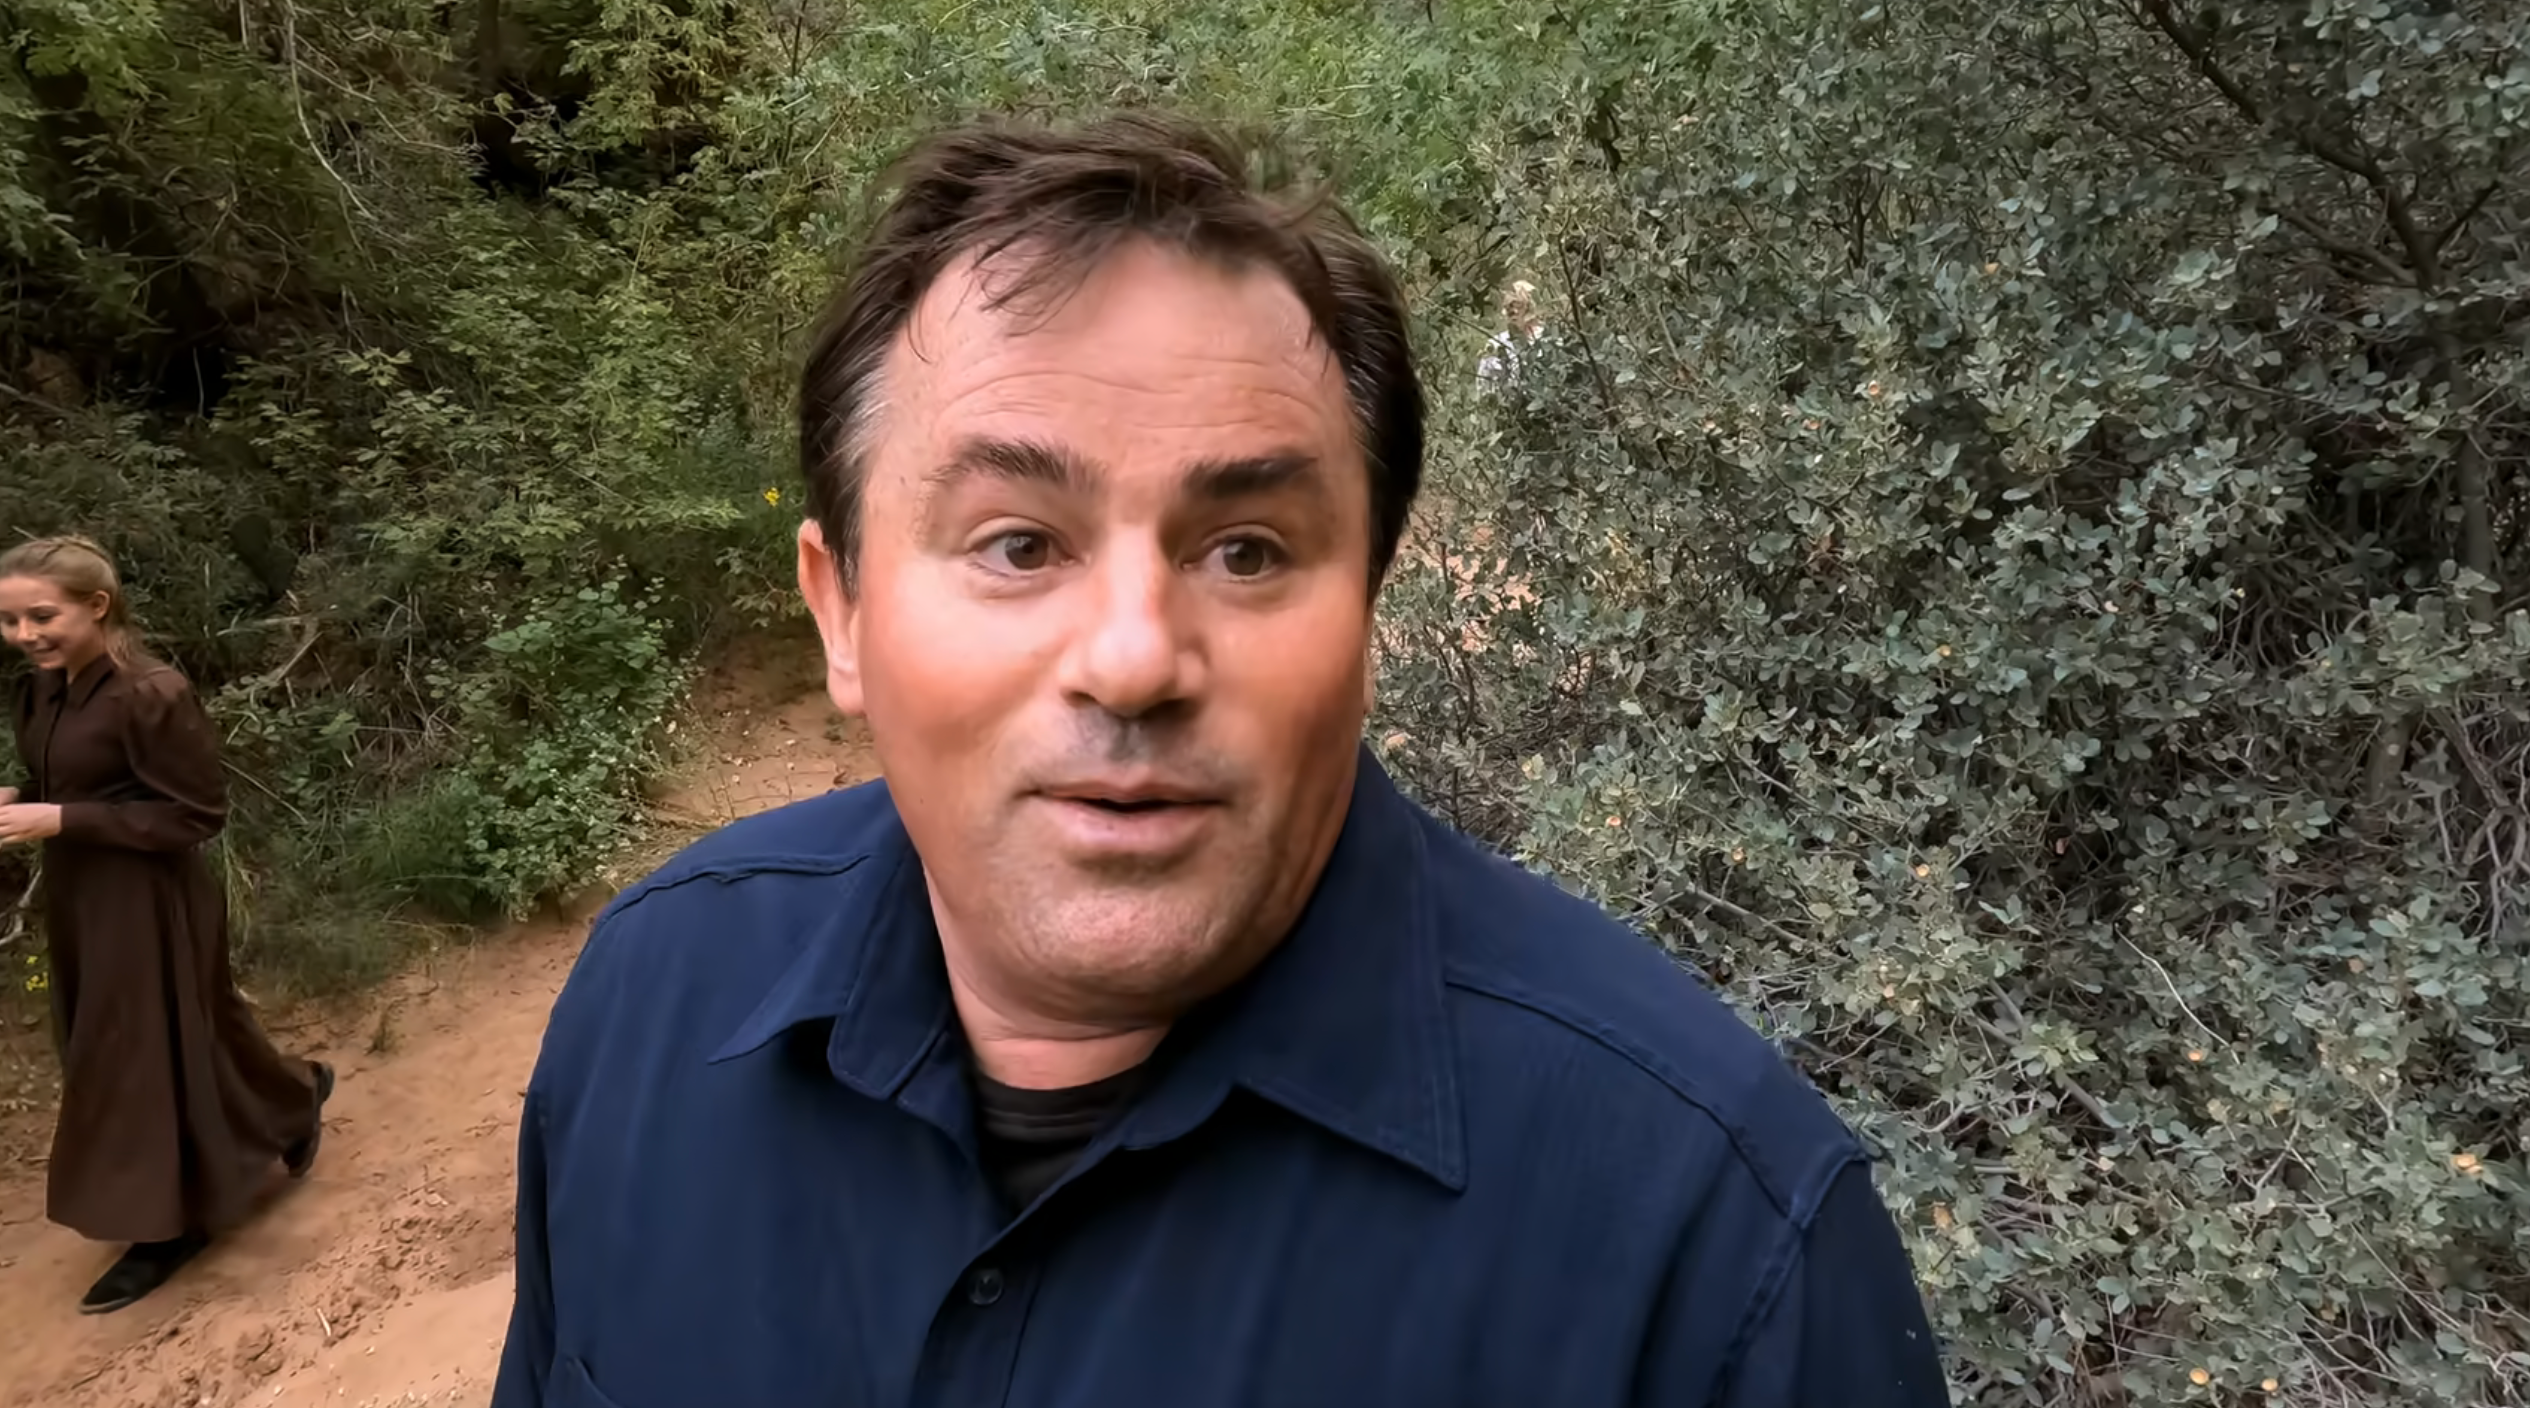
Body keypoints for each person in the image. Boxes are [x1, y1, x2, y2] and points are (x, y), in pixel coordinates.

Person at [494, 113, 1946, 1406]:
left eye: (1246, 552)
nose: (1134, 659)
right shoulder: (650, 1005)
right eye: (1018, 544)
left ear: (1366, 616)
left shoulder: (1710, 1245)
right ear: (844, 613)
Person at [0, 536, 334, 1314]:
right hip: (83, 893)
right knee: (184, 1029)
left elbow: (195, 815)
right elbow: (71, 776)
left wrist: (64, 817)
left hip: (151, 895)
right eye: (10, 620)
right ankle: (292, 1102)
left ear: (97, 605)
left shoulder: (150, 692)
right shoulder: (42, 688)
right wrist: (23, 796)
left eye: (42, 616)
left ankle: (168, 1224)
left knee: (134, 1053)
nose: (25, 634)